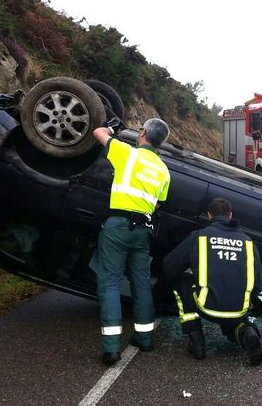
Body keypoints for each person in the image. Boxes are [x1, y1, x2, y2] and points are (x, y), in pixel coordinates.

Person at [92, 118, 171, 366]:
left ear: (144, 133)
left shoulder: (126, 153)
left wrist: (112, 128)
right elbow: (157, 204)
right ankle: (145, 338)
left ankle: (112, 349)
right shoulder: (163, 170)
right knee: (141, 284)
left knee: (111, 284)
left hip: (118, 226)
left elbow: (98, 132)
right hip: (142, 231)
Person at [163, 198, 262, 366]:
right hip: (238, 308)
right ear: (230, 215)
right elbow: (259, 285)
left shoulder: (199, 237)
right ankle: (246, 332)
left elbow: (169, 266)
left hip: (206, 306)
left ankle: (196, 340)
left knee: (180, 283)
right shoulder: (247, 241)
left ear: (209, 215)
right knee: (235, 322)